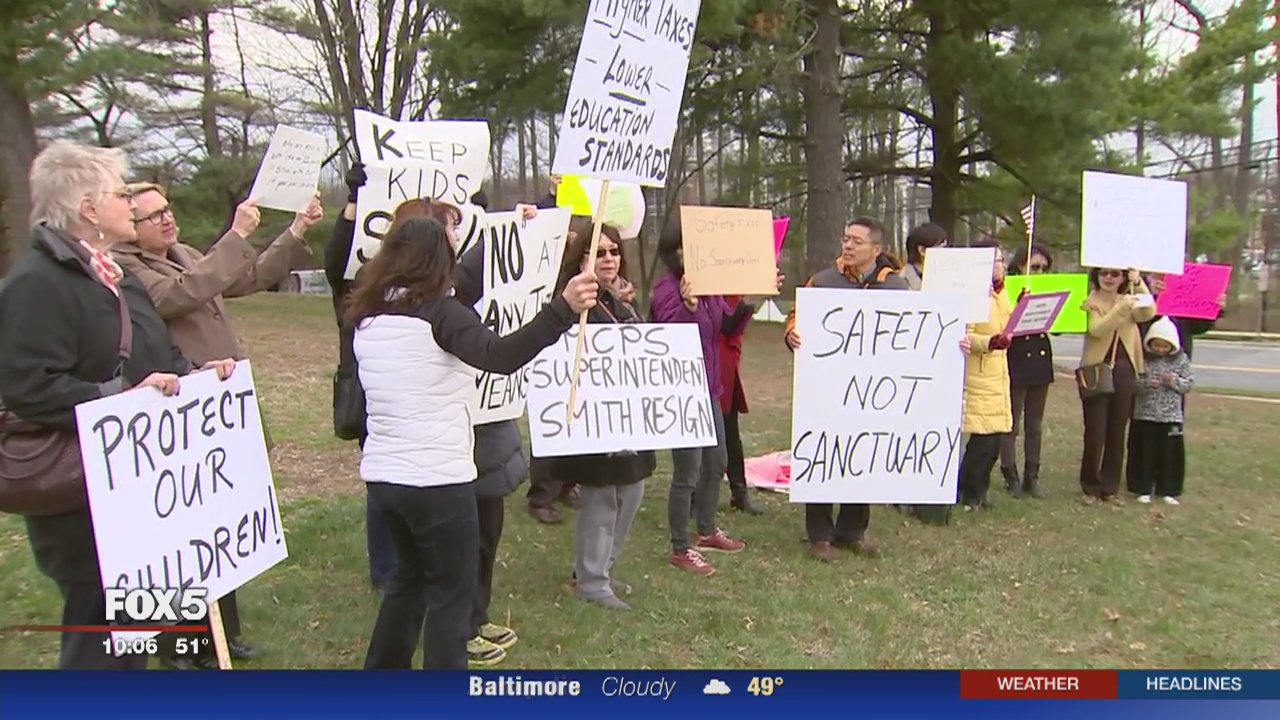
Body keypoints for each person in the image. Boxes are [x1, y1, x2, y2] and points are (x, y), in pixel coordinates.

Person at [0, 141, 236, 670]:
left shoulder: (112, 272)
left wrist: (194, 375)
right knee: (102, 636)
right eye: (118, 194)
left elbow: (154, 349)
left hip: (139, 487)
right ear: (88, 208)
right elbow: (28, 388)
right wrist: (120, 402)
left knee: (137, 638)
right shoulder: (36, 284)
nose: (129, 205)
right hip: (84, 498)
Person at [347, 216, 598, 670]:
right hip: (437, 481)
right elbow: (499, 356)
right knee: (450, 595)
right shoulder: (441, 316)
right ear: (438, 259)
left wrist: (524, 226)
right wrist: (561, 309)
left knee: (408, 580)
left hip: (385, 479)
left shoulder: (368, 317)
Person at [111, 183, 322, 668]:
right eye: (152, 216)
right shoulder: (130, 268)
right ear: (130, 225)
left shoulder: (182, 252)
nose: (166, 220)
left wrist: (294, 231)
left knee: (218, 524)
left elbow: (244, 277)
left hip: (219, 404)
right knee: (176, 534)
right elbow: (180, 294)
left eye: (168, 210)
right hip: (176, 410)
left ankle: (221, 633)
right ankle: (178, 644)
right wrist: (234, 234)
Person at [784, 217, 903, 561]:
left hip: (871, 392)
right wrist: (791, 332)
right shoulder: (822, 282)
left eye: (857, 241)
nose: (848, 246)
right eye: (845, 238)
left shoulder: (895, 287)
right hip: (826, 388)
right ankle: (819, 534)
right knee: (823, 452)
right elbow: (796, 315)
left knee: (861, 455)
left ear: (876, 249)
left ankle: (853, 530)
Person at [650, 212, 756, 576]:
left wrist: (749, 300)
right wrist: (689, 308)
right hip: (683, 392)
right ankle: (680, 547)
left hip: (710, 389)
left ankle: (706, 529)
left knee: (717, 461)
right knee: (687, 472)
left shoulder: (709, 286)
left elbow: (725, 324)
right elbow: (668, 336)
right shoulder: (667, 290)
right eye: (685, 249)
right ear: (674, 253)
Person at [553, 223, 652, 610]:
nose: (609, 258)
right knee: (602, 498)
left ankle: (602, 570)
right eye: (600, 252)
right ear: (582, 260)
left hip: (630, 418)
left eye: (614, 251)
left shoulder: (623, 300)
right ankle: (591, 581)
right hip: (596, 420)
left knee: (633, 491)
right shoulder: (574, 304)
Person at [524, 214, 595, 525]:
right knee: (553, 428)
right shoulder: (554, 272)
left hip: (588, 368)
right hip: (555, 365)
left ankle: (568, 483)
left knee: (580, 430)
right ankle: (541, 495)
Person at [1079, 267, 1155, 504]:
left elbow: (1148, 313)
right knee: (1096, 431)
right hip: (1097, 369)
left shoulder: (1130, 297)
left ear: (1123, 278)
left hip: (1125, 369)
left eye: (1115, 274)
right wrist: (1120, 310)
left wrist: (1139, 282)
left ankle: (1110, 487)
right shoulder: (1092, 301)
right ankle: (1090, 485)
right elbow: (1097, 329)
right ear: (1097, 277)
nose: (1109, 278)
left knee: (1116, 430)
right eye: (1104, 274)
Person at [956, 240, 1015, 510]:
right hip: (977, 374)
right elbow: (963, 333)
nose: (999, 265)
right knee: (982, 439)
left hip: (998, 374)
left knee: (993, 440)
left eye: (1001, 260)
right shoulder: (969, 293)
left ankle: (979, 491)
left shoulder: (1002, 294)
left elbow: (1008, 325)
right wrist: (989, 342)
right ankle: (968, 492)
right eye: (994, 260)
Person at [1000, 244, 1055, 499]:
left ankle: (1032, 476)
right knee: (1011, 422)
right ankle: (1010, 474)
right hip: (1016, 358)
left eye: (1044, 268)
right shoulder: (1007, 290)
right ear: (1021, 265)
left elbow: (1059, 327)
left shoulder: (1047, 289)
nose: (1040, 272)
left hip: (1040, 360)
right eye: (1034, 267)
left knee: (1035, 423)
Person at [1126, 317, 1194, 505]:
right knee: (1146, 452)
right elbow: (1133, 384)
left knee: (1170, 454)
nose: (1160, 350)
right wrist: (1147, 384)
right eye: (1157, 346)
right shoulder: (1144, 360)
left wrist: (1173, 381)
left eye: (1165, 346)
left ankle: (1168, 490)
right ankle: (1143, 488)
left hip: (1170, 416)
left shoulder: (1181, 361)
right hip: (1145, 414)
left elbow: (1189, 384)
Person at [719, 294, 762, 515]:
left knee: (730, 430)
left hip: (725, 361)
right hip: (707, 356)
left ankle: (739, 491)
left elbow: (732, 326)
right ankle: (694, 494)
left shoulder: (734, 290)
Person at [901, 222, 948, 290]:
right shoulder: (902, 283)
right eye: (942, 248)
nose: (946, 252)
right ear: (922, 250)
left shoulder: (945, 277)